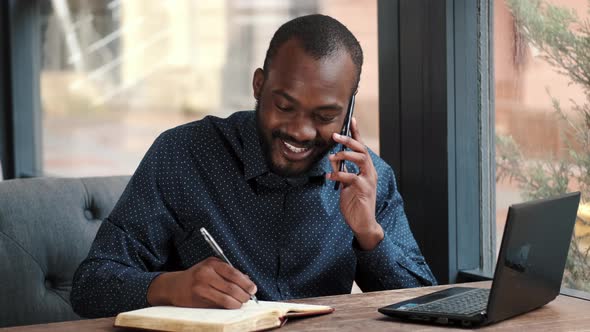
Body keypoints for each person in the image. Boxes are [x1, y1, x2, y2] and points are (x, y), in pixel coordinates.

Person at [71, 14, 436, 318]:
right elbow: (91, 286)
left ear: (348, 113)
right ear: (259, 85)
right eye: (285, 106)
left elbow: (426, 307)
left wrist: (369, 234)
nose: (300, 130)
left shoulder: (369, 179)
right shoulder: (182, 154)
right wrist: (170, 287)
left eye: (325, 115)